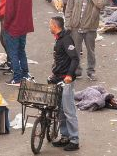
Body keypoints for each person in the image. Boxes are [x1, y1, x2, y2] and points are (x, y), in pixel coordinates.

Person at [65, 0, 108, 81]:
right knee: (75, 51)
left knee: (90, 51)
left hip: (90, 27)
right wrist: (68, 24)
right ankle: (77, 70)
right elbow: (69, 8)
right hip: (76, 26)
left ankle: (91, 71)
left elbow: (102, 3)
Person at [48, 16, 80, 151]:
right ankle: (65, 136)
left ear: (55, 26)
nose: (49, 27)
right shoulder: (59, 39)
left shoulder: (66, 39)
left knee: (68, 110)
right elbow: (61, 59)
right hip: (58, 78)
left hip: (66, 80)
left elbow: (75, 58)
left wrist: (69, 75)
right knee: (60, 110)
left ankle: (74, 140)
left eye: (50, 25)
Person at [3, 0, 34, 85]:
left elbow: (9, 13)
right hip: (24, 27)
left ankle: (17, 77)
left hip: (14, 28)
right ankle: (25, 73)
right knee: (22, 50)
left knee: (13, 53)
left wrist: (5, 27)